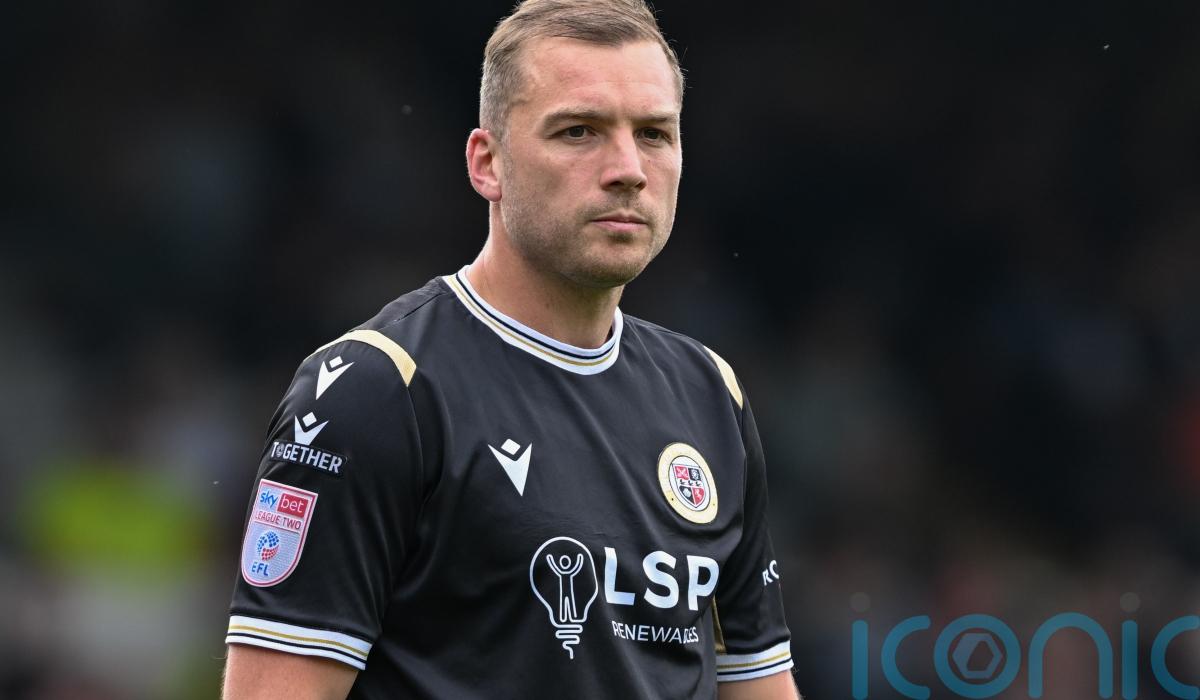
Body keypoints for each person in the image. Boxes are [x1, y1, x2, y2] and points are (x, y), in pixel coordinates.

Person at [222, 1, 798, 698]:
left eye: (653, 133)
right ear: (486, 163)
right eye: (579, 131)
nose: (628, 169)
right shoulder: (375, 390)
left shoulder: (710, 393)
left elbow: (758, 685)